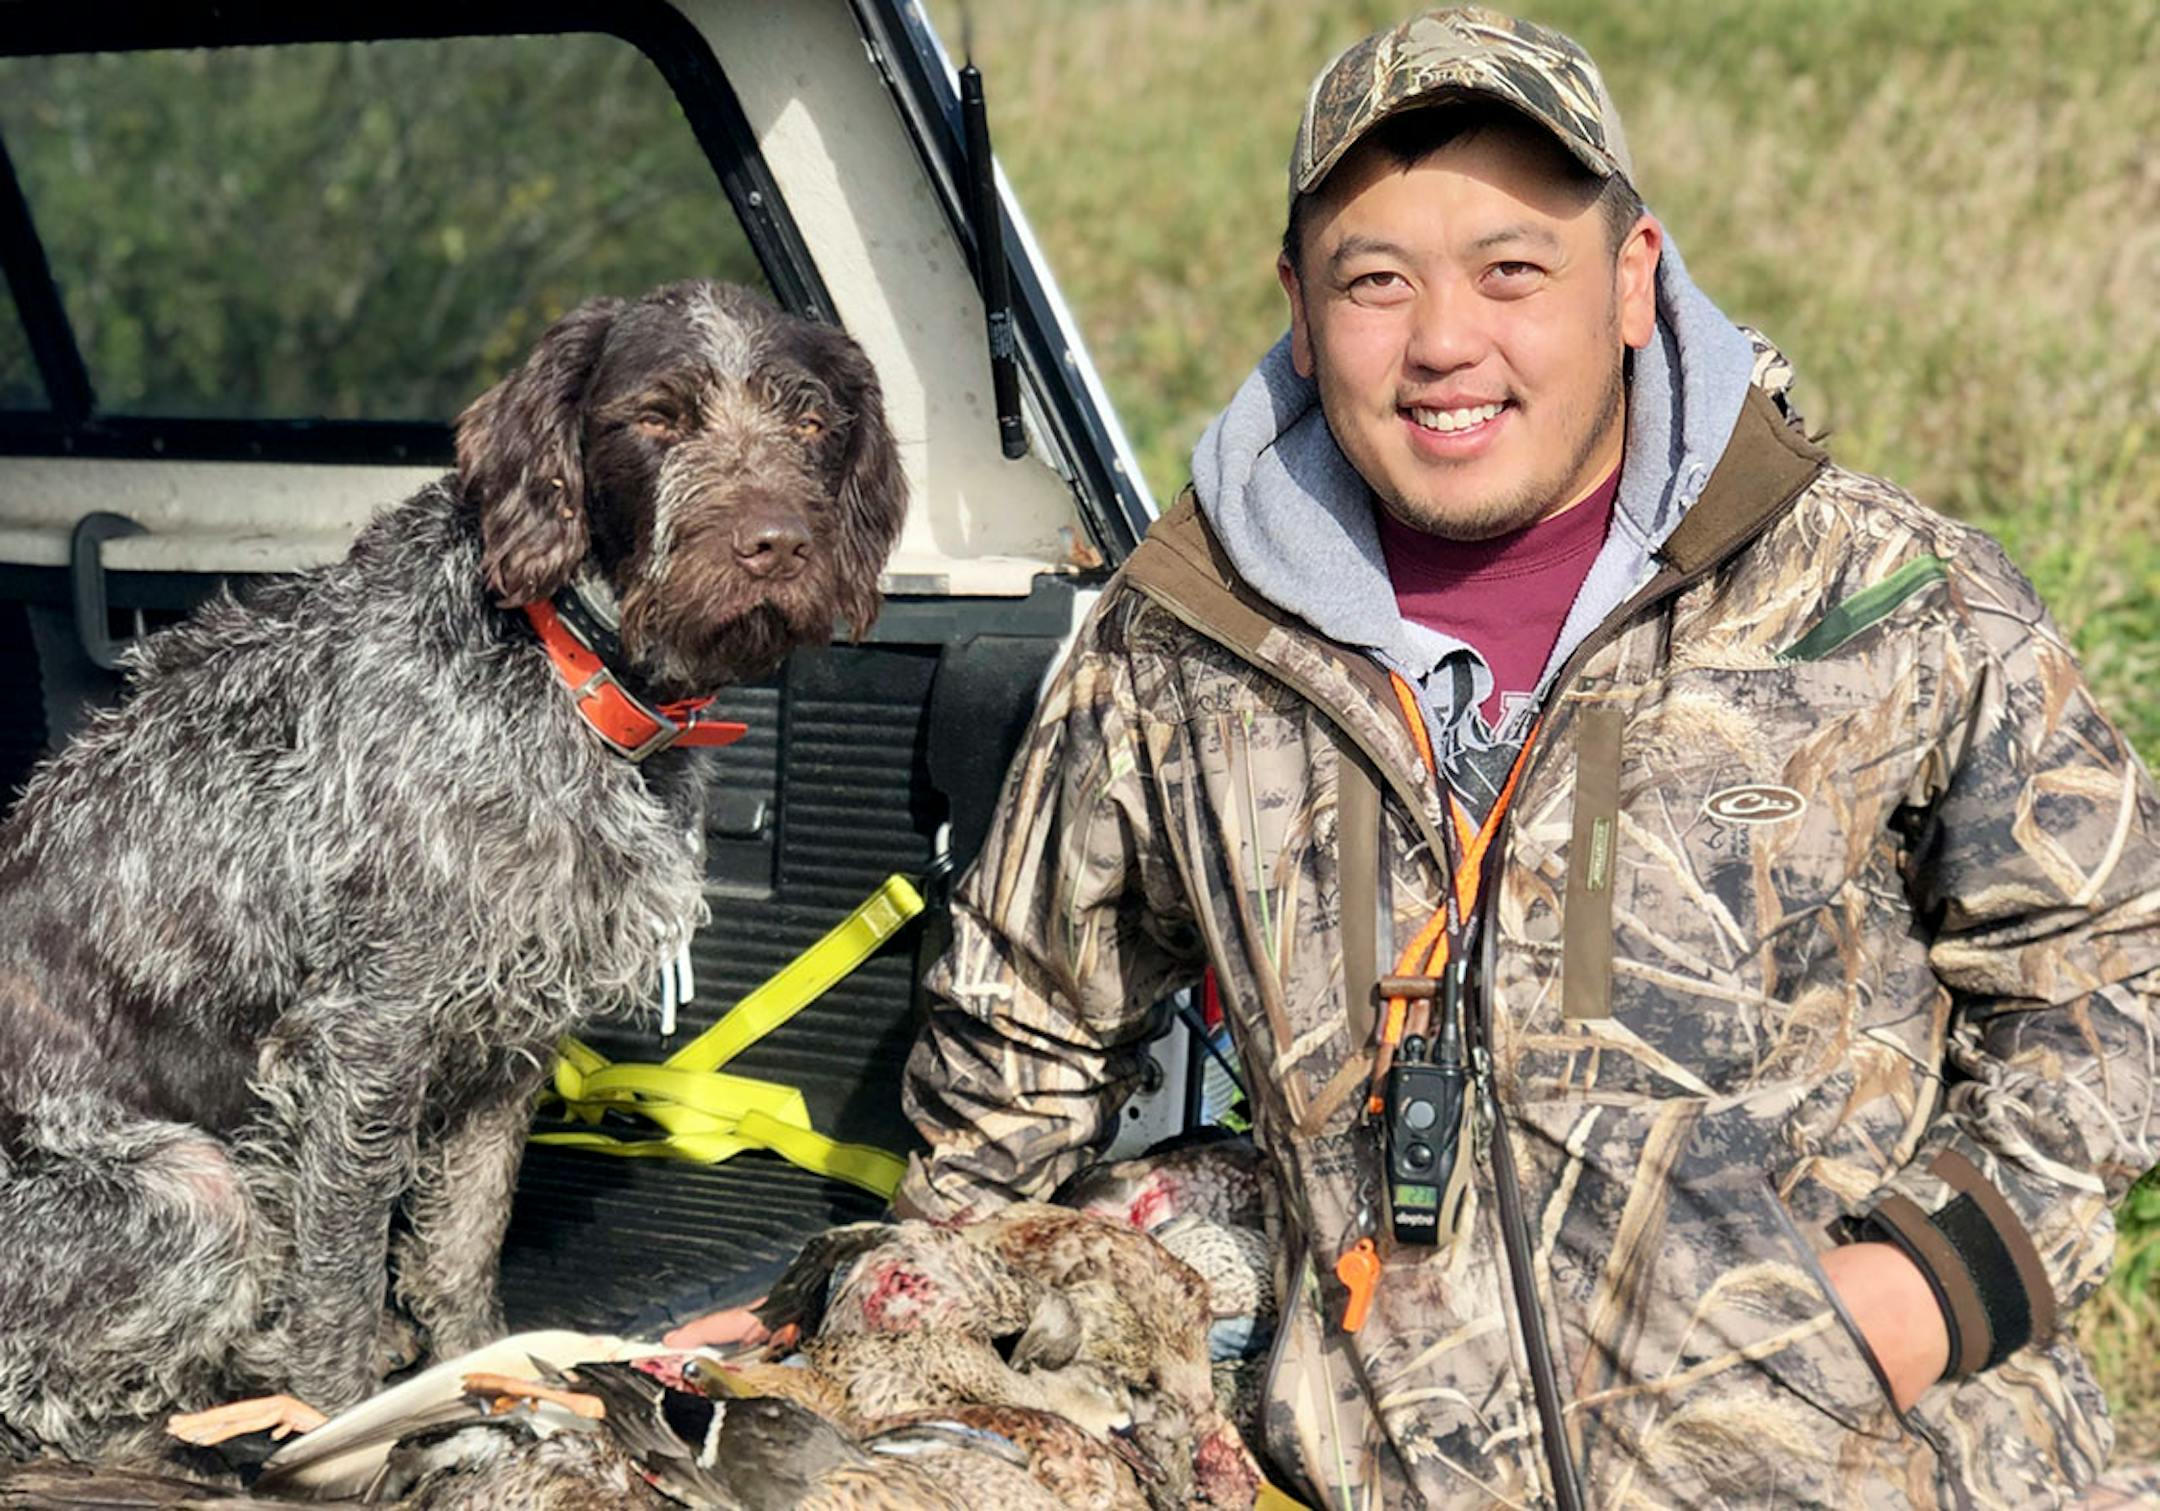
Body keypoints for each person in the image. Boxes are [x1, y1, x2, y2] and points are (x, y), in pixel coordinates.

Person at [683, 8, 2160, 1505]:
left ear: (1634, 277)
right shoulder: (1190, 645)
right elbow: (1027, 1031)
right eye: (1375, 282)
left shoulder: (1879, 595)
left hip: (1880, 1474)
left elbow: (2110, 966)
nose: (1446, 341)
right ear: (1303, 313)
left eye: (1514, 270)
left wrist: (1926, 1293)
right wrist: (884, 1339)